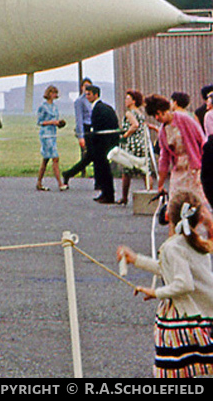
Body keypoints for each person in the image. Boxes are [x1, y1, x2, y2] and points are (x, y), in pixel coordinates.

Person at [117, 193, 213, 377]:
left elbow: (184, 283)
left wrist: (156, 292)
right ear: (200, 219)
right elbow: (169, 270)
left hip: (182, 316)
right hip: (203, 313)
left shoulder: (173, 247)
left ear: (167, 215)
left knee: (172, 371)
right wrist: (137, 260)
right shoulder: (195, 243)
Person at [147, 93, 212, 228]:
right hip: (178, 169)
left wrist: (205, 165)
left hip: (194, 167)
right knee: (174, 208)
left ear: (165, 110)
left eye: (159, 114)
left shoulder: (184, 120)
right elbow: (164, 159)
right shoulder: (163, 130)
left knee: (199, 205)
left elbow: (202, 141)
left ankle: (210, 234)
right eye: (155, 115)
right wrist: (161, 182)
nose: (157, 118)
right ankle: (173, 240)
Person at [63, 84, 117, 203]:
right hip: (103, 142)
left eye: (89, 94)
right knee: (101, 168)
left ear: (95, 95)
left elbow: (98, 128)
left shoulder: (98, 108)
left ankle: (108, 195)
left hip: (101, 144)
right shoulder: (101, 107)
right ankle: (105, 193)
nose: (87, 96)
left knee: (103, 169)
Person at [114, 90, 153, 205]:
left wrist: (125, 135)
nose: (125, 101)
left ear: (133, 101)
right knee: (145, 170)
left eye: (128, 99)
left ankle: (124, 197)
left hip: (132, 143)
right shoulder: (140, 112)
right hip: (141, 143)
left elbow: (135, 125)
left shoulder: (129, 113)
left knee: (126, 171)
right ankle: (150, 193)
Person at [35, 86, 67, 191]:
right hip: (45, 134)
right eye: (53, 93)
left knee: (45, 159)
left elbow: (56, 119)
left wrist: (59, 123)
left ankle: (39, 182)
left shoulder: (55, 107)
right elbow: (40, 122)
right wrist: (52, 122)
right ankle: (60, 183)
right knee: (55, 157)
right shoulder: (43, 107)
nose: (55, 95)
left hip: (53, 134)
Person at [73, 78, 94, 180]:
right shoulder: (80, 101)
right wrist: (81, 135)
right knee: (88, 153)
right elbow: (79, 119)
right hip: (86, 127)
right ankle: (74, 172)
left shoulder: (92, 100)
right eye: (85, 86)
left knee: (94, 153)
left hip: (94, 127)